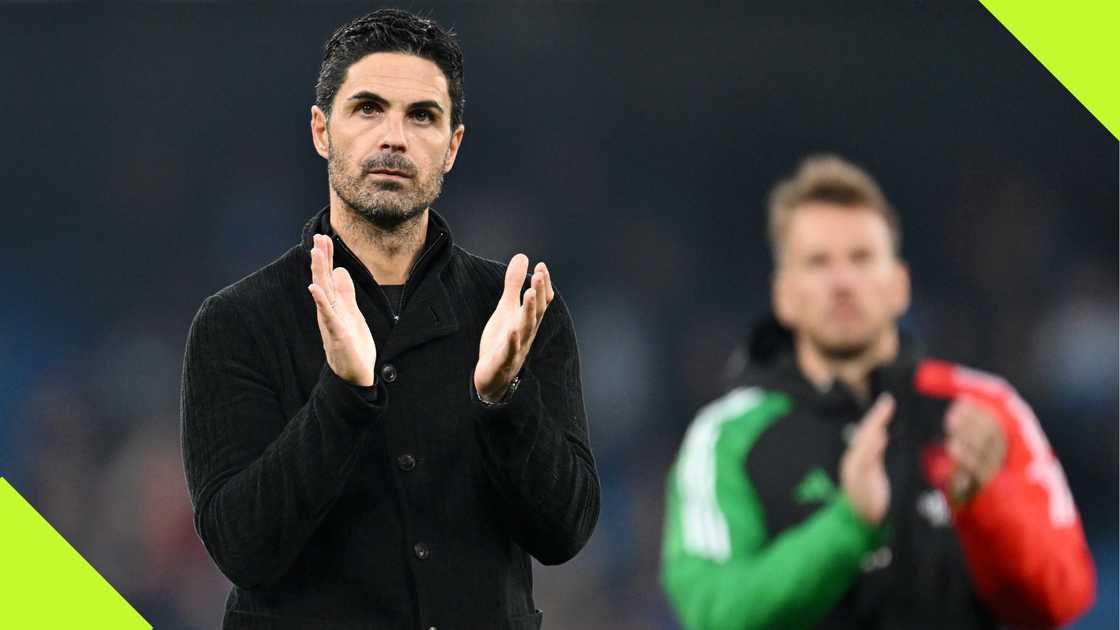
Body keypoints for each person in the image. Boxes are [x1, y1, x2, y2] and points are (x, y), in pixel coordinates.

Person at [179, 10, 599, 629]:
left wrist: (504, 399)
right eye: (368, 108)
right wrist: (344, 395)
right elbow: (243, 549)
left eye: (422, 116)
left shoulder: (516, 311)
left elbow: (564, 533)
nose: (394, 138)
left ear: (453, 146)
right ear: (322, 130)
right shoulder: (237, 322)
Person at [660, 155, 1095, 629]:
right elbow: (714, 613)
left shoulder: (985, 407)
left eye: (862, 258)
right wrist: (850, 523)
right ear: (784, 295)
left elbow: (1063, 599)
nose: (843, 282)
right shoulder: (726, 437)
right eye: (818, 262)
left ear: (899, 285)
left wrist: (989, 503)